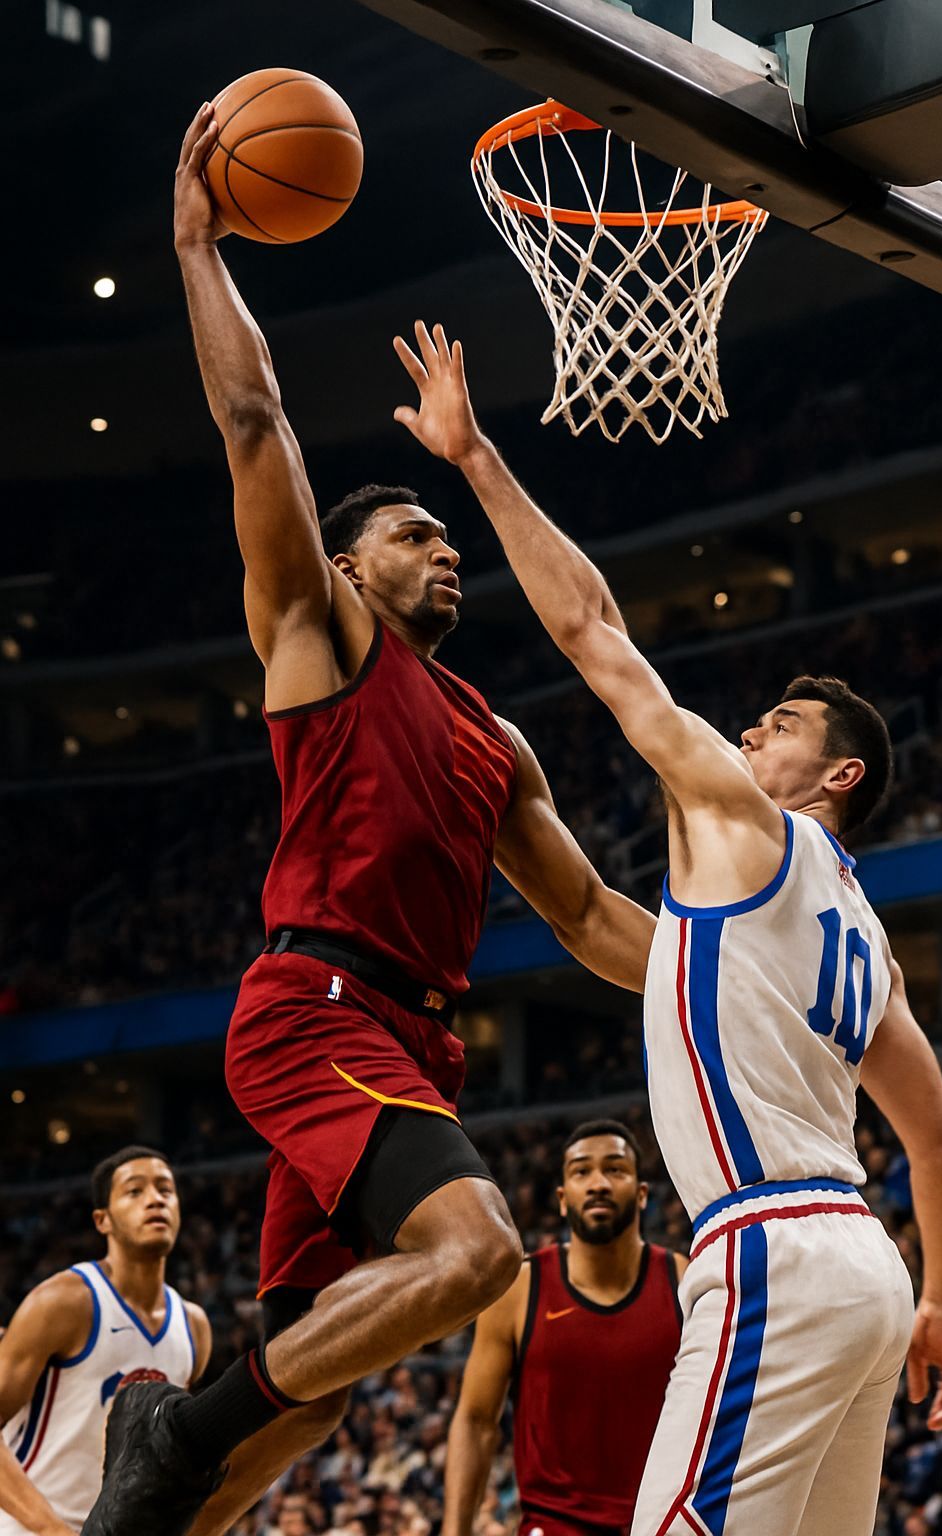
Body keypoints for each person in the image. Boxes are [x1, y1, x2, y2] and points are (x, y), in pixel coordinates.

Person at [81, 106, 654, 1536]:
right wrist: (199, 244)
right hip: (313, 1008)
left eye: (455, 543)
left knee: (317, 1398)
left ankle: (161, 1501)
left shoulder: (492, 734)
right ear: (346, 560)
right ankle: (164, 1422)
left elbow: (588, 917)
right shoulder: (319, 636)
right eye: (420, 533)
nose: (449, 551)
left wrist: (732, 973)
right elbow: (255, 418)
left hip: (409, 1043)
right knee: (477, 1257)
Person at [387, 321, 942, 1535]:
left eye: (779, 725)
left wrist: (475, 457)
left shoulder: (747, 827)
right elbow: (938, 1146)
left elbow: (596, 633)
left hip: (773, 1257)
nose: (749, 732)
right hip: (867, 1270)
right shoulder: (854, 938)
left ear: (838, 775)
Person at [443, 1120, 686, 1536]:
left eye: (615, 1169)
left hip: (661, 1524)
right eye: (581, 1171)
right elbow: (476, 1420)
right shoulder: (518, 1290)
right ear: (561, 1198)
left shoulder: (686, 1281)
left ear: (643, 1194)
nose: (598, 1184)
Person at [0, 1148, 210, 1536]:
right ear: (103, 1220)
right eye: (135, 1191)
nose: (155, 1199)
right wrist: (51, 1530)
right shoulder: (64, 1302)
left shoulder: (194, 1326)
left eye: (166, 1189)